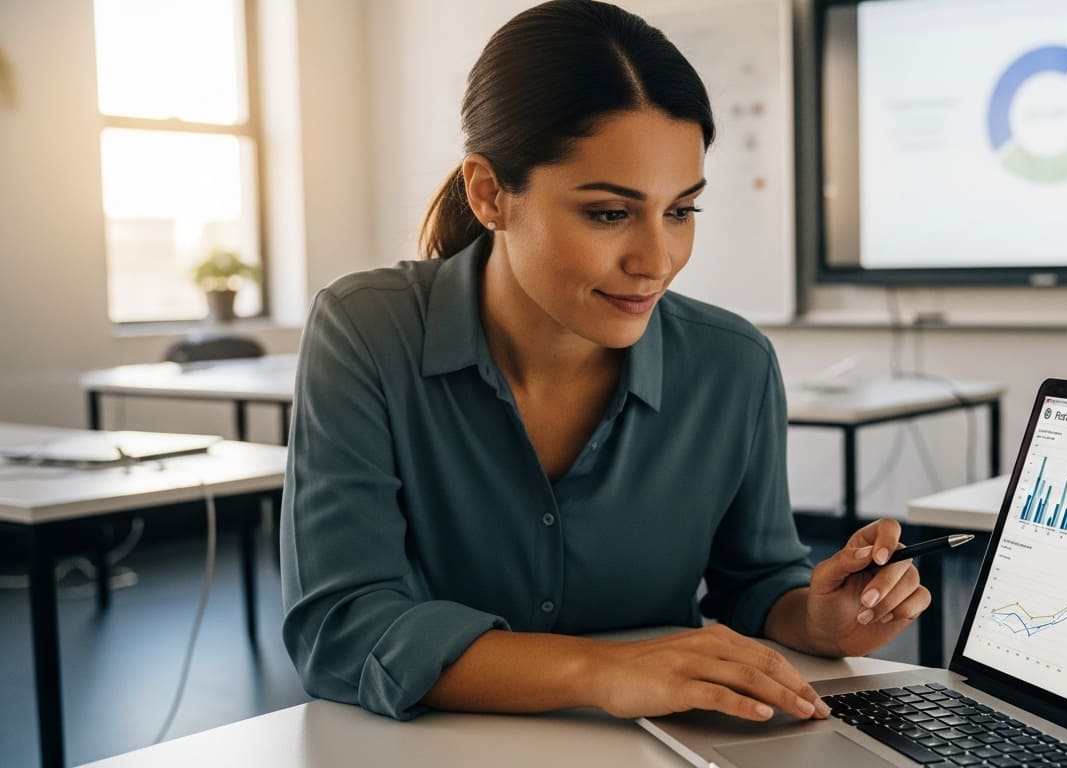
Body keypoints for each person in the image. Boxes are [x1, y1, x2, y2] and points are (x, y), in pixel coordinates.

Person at [281, 0, 929, 725]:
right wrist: (598, 672)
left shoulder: (732, 365)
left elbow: (754, 581)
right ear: (489, 193)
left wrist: (817, 619)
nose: (657, 261)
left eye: (681, 211)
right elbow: (340, 626)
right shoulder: (368, 330)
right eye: (610, 213)